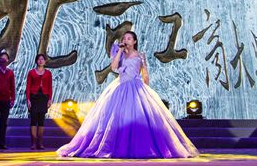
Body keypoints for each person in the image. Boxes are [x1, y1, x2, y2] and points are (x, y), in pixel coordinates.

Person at [57, 31, 198, 158]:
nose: (126, 40)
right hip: (120, 87)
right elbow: (113, 67)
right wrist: (119, 51)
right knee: (115, 118)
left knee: (139, 118)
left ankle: (142, 148)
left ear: (134, 41)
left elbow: (145, 73)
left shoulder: (140, 55)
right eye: (124, 38)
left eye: (129, 38)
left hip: (136, 88)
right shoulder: (120, 54)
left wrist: (147, 91)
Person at [26, 53, 53, 150]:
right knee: (33, 120)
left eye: (42, 59)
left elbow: (50, 87)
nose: (41, 61)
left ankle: (40, 143)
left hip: (43, 98)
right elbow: (28, 86)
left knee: (41, 121)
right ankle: (33, 143)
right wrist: (28, 99)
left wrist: (49, 99)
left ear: (45, 61)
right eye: (39, 59)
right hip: (34, 97)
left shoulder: (48, 73)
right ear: (36, 61)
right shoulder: (31, 72)